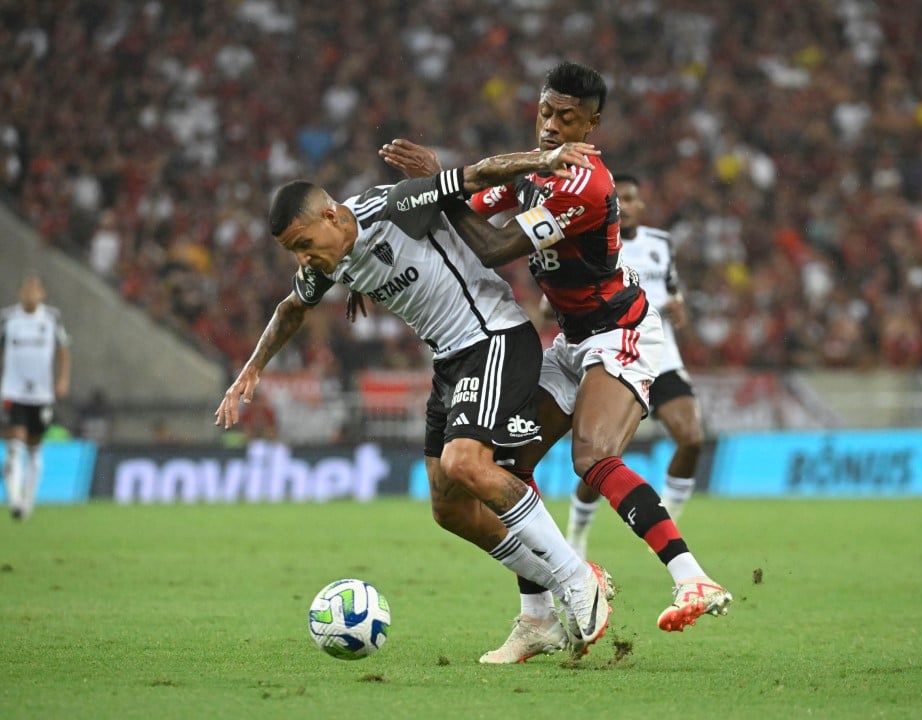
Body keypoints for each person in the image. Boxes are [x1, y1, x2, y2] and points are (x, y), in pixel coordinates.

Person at [380, 61, 731, 663]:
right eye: (546, 111)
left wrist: (444, 183)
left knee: (592, 457)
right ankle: (537, 620)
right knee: (508, 464)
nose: (550, 126)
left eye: (567, 117)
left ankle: (692, 577)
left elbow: (493, 246)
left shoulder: (584, 185)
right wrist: (381, 247)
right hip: (569, 340)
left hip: (621, 332)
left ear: (593, 123)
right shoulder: (534, 171)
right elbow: (461, 203)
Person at [214, 143, 613, 664]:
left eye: (305, 243)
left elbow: (476, 175)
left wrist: (543, 158)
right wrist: (253, 367)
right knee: (449, 507)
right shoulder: (328, 257)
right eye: (294, 251)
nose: (303, 258)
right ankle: (549, 608)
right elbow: (292, 308)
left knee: (466, 462)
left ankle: (577, 578)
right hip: (451, 360)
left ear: (332, 215)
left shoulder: (395, 206)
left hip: (493, 336)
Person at [564, 173, 705, 559]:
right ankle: (577, 532)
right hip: (616, 356)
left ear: (641, 204)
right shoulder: (595, 245)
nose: (626, 206)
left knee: (692, 438)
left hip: (662, 355)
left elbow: (673, 293)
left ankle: (668, 519)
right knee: (603, 457)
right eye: (619, 199)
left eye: (632, 198)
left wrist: (679, 309)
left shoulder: (661, 244)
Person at [1, 273, 72, 520]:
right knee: (15, 445)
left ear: (42, 294)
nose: (31, 293)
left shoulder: (52, 318)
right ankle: (15, 501)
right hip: (13, 391)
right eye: (26, 288)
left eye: (35, 289)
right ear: (20, 292)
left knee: (34, 448)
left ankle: (28, 501)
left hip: (41, 395)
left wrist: (63, 379)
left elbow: (64, 349)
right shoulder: (8, 319)